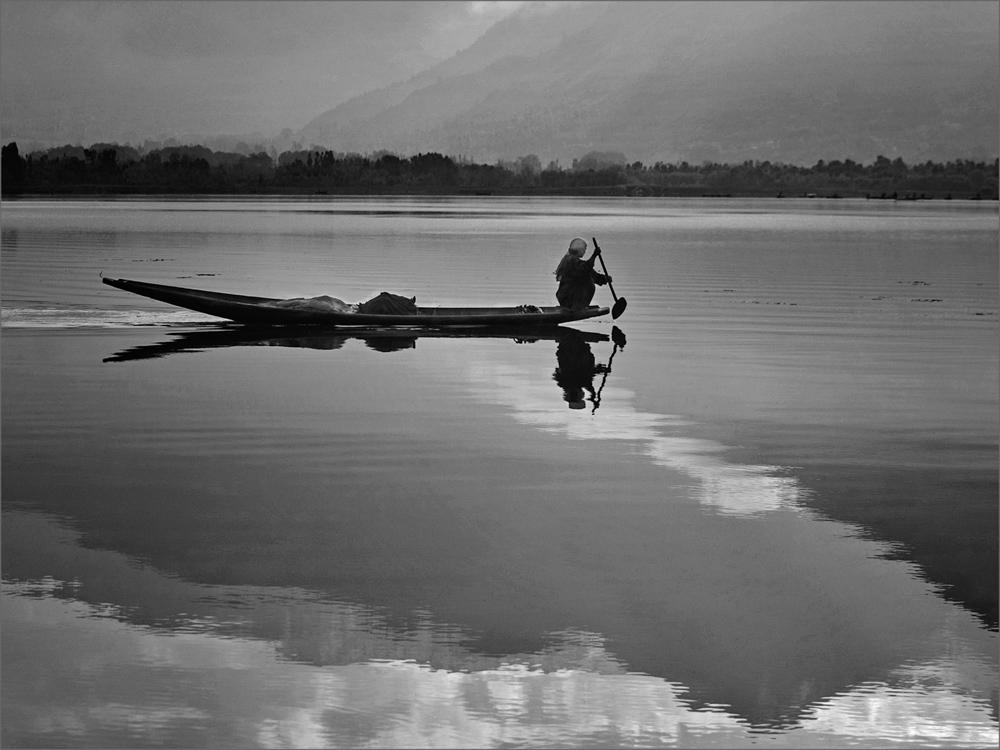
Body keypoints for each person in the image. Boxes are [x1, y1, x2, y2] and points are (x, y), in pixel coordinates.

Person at [553, 237, 611, 310]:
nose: (584, 252)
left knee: (586, 275)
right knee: (586, 278)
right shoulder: (570, 260)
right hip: (568, 299)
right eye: (584, 249)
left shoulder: (575, 262)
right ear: (580, 250)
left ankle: (579, 306)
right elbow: (585, 268)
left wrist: (604, 279)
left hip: (568, 299)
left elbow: (591, 273)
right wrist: (594, 255)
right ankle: (576, 307)